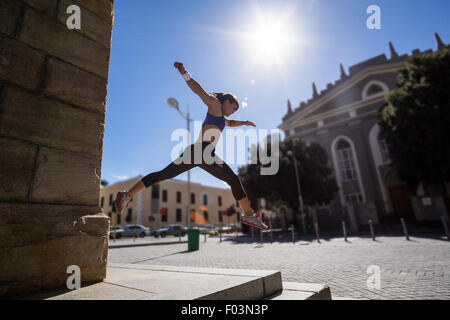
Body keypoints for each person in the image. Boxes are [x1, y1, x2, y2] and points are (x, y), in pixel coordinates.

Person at [115, 62, 269, 230]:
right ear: (226, 101)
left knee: (163, 174)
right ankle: (249, 215)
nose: (232, 111)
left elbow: (230, 123)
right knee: (233, 179)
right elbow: (199, 91)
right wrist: (185, 73)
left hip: (196, 152)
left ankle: (127, 194)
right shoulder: (215, 104)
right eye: (232, 107)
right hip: (204, 152)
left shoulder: (221, 116)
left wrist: (244, 122)